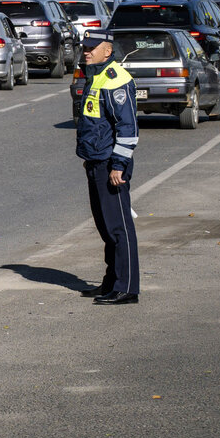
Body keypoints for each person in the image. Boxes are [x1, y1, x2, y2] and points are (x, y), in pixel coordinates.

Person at [75, 30, 140, 305]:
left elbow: (127, 128)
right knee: (105, 227)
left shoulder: (115, 79)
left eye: (92, 47)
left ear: (107, 51)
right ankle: (111, 281)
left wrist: (118, 165)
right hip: (96, 160)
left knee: (118, 228)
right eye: (85, 47)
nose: (86, 51)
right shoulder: (95, 75)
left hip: (110, 164)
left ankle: (127, 287)